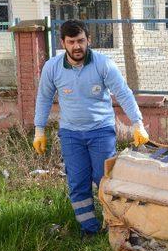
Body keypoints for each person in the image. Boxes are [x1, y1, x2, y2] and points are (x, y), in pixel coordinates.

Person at [32, 20, 149, 236]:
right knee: (77, 182)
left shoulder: (103, 64)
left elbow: (123, 93)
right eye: (71, 42)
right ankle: (90, 229)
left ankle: (114, 223)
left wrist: (137, 123)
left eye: (81, 41)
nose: (77, 46)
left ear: (89, 40)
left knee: (103, 179)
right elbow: (44, 98)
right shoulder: (52, 67)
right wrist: (39, 130)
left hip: (101, 131)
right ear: (63, 43)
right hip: (70, 135)